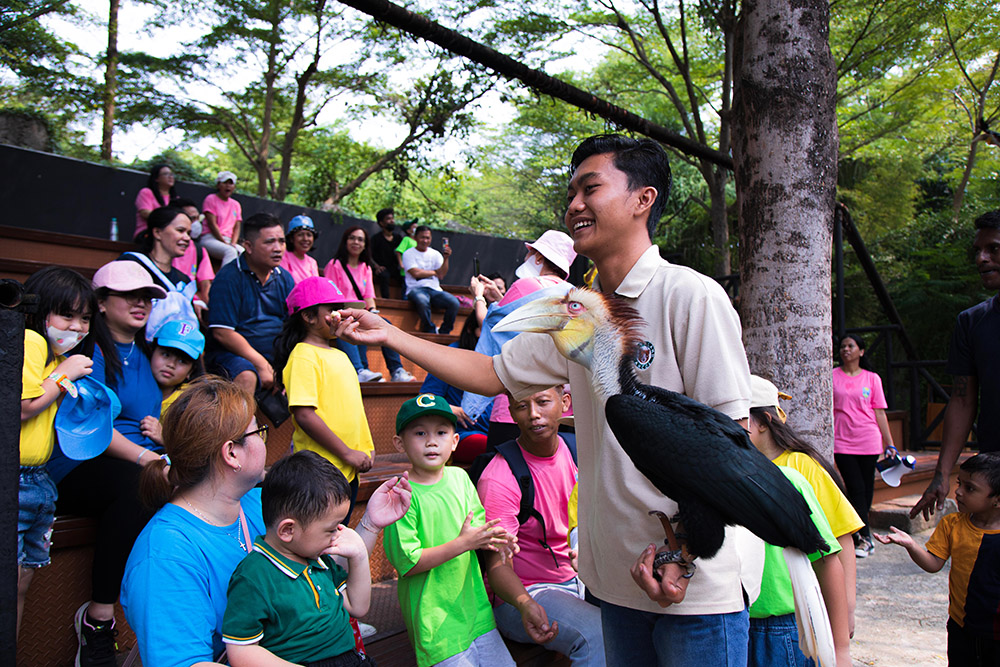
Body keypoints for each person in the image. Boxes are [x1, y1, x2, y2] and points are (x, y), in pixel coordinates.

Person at [335, 134, 759, 665]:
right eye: (571, 192)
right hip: (614, 585)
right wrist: (390, 336)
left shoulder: (689, 294)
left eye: (591, 188)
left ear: (642, 199)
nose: (575, 205)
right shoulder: (575, 311)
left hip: (691, 586)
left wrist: (684, 553)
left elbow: (732, 441)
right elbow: (492, 372)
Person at [121, 376, 412, 667]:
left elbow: (320, 572)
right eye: (257, 432)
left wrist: (371, 524)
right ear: (232, 453)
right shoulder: (163, 554)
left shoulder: (258, 502)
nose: (264, 439)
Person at [44, 261, 167, 667]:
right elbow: (93, 425)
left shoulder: (147, 352)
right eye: (129, 295)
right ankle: (98, 619)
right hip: (78, 466)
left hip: (134, 465)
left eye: (147, 296)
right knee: (137, 484)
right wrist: (149, 458)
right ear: (100, 303)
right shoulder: (86, 351)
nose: (141, 303)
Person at [383, 394, 517, 666]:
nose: (432, 441)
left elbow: (477, 527)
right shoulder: (401, 494)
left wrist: (495, 538)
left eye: (441, 432)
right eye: (420, 433)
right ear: (400, 443)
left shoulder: (459, 478)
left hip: (476, 612)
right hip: (436, 624)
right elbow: (408, 562)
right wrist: (464, 543)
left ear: (455, 441)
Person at [478, 385, 605, 665]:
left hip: (579, 580)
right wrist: (524, 603)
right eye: (522, 406)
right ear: (511, 412)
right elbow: (497, 566)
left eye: (543, 402)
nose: (534, 414)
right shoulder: (499, 477)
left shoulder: (577, 451)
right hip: (526, 593)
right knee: (599, 636)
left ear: (565, 402)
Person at [222, 451, 373, 667]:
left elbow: (358, 607)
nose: (340, 532)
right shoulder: (254, 577)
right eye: (331, 529)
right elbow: (240, 651)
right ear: (288, 530)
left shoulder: (319, 559)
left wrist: (358, 555)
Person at [744, 376, 851, 667]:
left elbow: (836, 542)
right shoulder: (726, 476)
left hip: (782, 622)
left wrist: (842, 633)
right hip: (738, 619)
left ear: (763, 421)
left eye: (739, 417)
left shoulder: (798, 472)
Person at [17, 267, 98, 638]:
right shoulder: (31, 341)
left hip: (39, 483)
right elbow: (24, 405)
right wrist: (64, 375)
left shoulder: (52, 356)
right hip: (16, 482)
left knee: (20, 583)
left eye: (85, 318)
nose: (78, 327)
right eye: (67, 314)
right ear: (40, 309)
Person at [912, 210, 1000, 522]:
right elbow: (962, 400)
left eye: (993, 249)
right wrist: (941, 475)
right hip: (995, 472)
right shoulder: (972, 322)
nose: (982, 259)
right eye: (978, 250)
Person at [875, 452, 1000, 666]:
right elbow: (933, 563)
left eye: (970, 489)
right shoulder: (952, 524)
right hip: (961, 626)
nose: (958, 492)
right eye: (959, 483)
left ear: (997, 500)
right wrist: (911, 545)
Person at [462, 229, 577, 447]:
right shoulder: (573, 295)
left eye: (529, 253)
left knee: (504, 470)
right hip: (556, 409)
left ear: (539, 257)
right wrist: (500, 298)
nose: (526, 258)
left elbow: (495, 326)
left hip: (516, 408)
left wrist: (478, 296)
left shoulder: (526, 286)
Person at [272, 276, 375, 519]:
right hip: (320, 473)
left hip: (347, 470)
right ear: (308, 317)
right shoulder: (303, 355)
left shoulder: (340, 355)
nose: (340, 315)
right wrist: (347, 452)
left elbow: (353, 409)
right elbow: (305, 415)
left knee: (336, 537)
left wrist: (365, 447)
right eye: (332, 310)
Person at [206, 212, 294, 394]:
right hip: (233, 356)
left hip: (275, 355)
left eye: (281, 241)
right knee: (247, 374)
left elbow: (293, 325)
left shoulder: (285, 278)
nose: (278, 248)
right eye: (270, 242)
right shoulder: (229, 278)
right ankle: (242, 423)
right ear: (248, 246)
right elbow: (223, 332)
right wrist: (261, 364)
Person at [325, 225, 415, 383]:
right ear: (345, 241)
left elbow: (368, 296)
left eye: (360, 239)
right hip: (341, 313)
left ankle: (396, 371)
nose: (356, 242)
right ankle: (359, 370)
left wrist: (373, 310)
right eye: (352, 238)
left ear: (365, 245)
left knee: (386, 324)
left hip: (360, 313)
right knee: (349, 323)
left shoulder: (366, 267)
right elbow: (330, 295)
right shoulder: (334, 265)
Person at [832, 334, 894, 558]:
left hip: (868, 440)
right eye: (842, 346)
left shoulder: (872, 379)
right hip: (842, 441)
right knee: (855, 488)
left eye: (851, 346)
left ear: (861, 351)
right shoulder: (832, 376)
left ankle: (860, 534)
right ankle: (864, 537)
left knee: (866, 490)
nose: (845, 350)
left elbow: (879, 412)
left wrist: (890, 444)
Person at [419, 313, 492, 463]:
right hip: (463, 434)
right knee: (494, 448)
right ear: (472, 329)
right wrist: (451, 409)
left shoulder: (499, 355)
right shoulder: (451, 354)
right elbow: (424, 400)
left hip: (495, 429)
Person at [139, 319, 206, 446]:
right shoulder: (135, 380)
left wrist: (165, 438)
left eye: (182, 361)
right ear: (152, 351)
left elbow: (197, 448)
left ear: (190, 372)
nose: (171, 364)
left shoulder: (190, 402)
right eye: (165, 354)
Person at [402, 225, 459, 334]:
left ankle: (444, 331)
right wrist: (435, 272)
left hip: (435, 289)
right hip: (416, 289)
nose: (425, 240)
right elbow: (415, 273)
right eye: (422, 237)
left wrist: (446, 258)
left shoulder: (435, 254)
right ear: (415, 237)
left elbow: (441, 274)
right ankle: (430, 329)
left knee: (454, 302)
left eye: (428, 238)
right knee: (422, 301)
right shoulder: (408, 253)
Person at [172, 198, 215, 310]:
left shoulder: (199, 250)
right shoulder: (161, 252)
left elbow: (206, 285)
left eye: (197, 218)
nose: (195, 223)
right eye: (191, 219)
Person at [199, 170, 243, 266]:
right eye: (225, 183)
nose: (228, 186)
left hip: (229, 240)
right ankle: (224, 280)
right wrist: (224, 243)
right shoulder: (211, 199)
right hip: (210, 238)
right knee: (230, 252)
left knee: (245, 254)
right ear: (218, 185)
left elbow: (237, 226)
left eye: (231, 183)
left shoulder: (236, 204)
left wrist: (233, 243)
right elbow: (212, 224)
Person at [134, 163, 178, 241]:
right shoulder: (146, 192)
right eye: (166, 174)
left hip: (170, 234)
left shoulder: (176, 198)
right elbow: (145, 213)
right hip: (147, 233)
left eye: (171, 174)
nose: (170, 177)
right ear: (156, 178)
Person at [370, 207, 402, 298]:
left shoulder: (398, 238)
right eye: (388, 219)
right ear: (381, 223)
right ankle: (386, 300)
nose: (392, 221)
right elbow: (368, 255)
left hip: (395, 269)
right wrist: (376, 266)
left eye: (392, 218)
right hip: (382, 269)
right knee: (384, 276)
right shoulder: (376, 239)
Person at [280, 214, 321, 283]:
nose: (305, 239)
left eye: (309, 235)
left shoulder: (312, 262)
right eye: (300, 235)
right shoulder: (284, 257)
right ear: (291, 238)